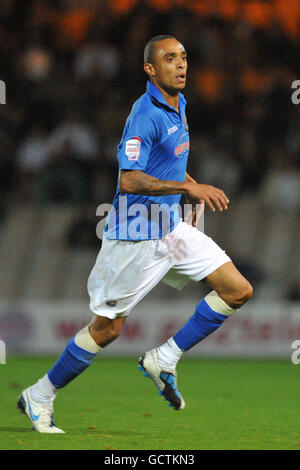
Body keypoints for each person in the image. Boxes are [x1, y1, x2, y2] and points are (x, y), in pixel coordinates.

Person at [17, 35, 253, 433]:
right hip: (134, 235)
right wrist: (188, 189)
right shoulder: (145, 114)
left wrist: (188, 185)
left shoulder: (179, 103)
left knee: (237, 290)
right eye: (169, 58)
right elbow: (129, 180)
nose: (180, 65)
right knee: (107, 328)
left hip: (170, 229)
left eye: (183, 57)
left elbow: (169, 164)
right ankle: (39, 395)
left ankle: (164, 357)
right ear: (150, 69)